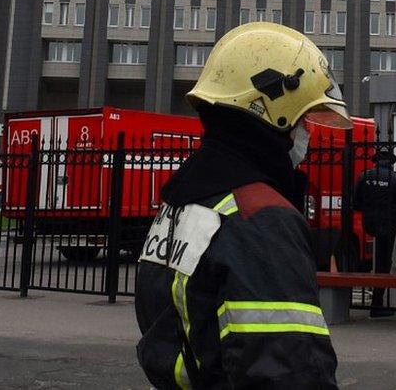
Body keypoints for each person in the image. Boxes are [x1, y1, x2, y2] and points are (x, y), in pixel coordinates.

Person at [135, 22, 351, 389]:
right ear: (274, 111)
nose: (308, 133)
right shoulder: (262, 220)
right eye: (303, 120)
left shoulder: (183, 202)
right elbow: (291, 371)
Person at [352, 149, 396, 317]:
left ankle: (372, 301)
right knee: (384, 262)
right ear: (391, 162)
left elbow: (356, 203)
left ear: (376, 161)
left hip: (369, 224)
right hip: (389, 224)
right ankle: (377, 303)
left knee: (374, 260)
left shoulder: (365, 176)